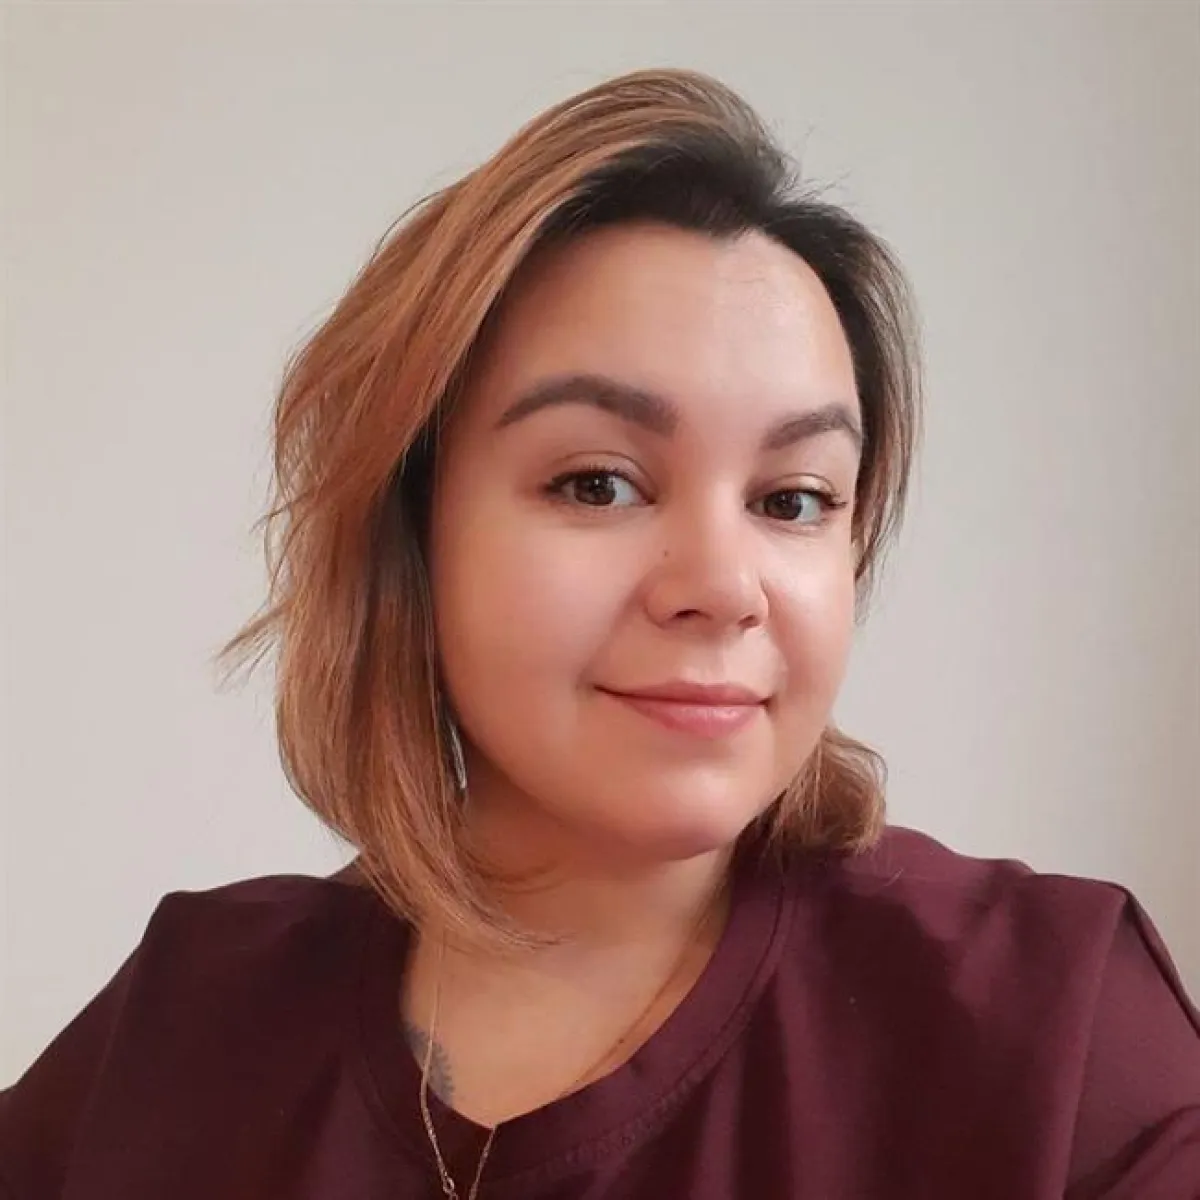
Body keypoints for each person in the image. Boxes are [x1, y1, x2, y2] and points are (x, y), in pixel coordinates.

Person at [1, 67, 1197, 1200]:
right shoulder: (185, 1024)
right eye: (598, 483)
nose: (722, 589)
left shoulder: (1062, 1033)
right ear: (409, 529)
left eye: (793, 500)